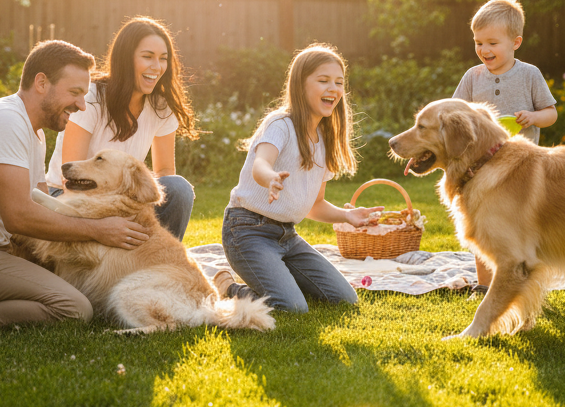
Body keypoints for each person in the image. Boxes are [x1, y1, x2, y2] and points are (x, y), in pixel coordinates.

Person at [0, 40, 151, 327]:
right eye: (74, 93)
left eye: (84, 95)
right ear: (41, 83)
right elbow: (19, 216)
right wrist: (99, 231)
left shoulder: (33, 132)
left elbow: (45, 208)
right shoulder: (5, 121)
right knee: (73, 308)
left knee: (68, 285)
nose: (81, 105)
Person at [216, 44, 382, 313]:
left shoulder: (324, 140)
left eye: (339, 82)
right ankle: (229, 288)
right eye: (323, 80)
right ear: (300, 85)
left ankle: (279, 278)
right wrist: (270, 178)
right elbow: (261, 163)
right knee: (292, 308)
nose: (334, 89)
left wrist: (347, 216)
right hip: (247, 230)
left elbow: (316, 205)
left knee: (344, 299)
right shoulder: (280, 124)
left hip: (287, 237)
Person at [45, 16, 199, 240]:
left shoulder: (161, 107)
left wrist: (135, 202)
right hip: (68, 193)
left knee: (178, 188)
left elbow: (165, 171)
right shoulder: (92, 98)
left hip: (121, 196)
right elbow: (70, 179)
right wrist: (113, 209)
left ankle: (160, 261)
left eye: (163, 59)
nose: (157, 67)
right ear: (126, 59)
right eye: (147, 57)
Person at [453, 0, 558, 292]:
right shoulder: (473, 77)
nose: (484, 50)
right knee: (483, 227)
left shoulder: (529, 75)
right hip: (482, 169)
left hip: (521, 168)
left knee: (523, 229)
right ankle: (485, 286)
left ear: (516, 42)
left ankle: (530, 284)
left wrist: (534, 116)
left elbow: (552, 113)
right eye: (478, 42)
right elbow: (456, 111)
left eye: (492, 43)